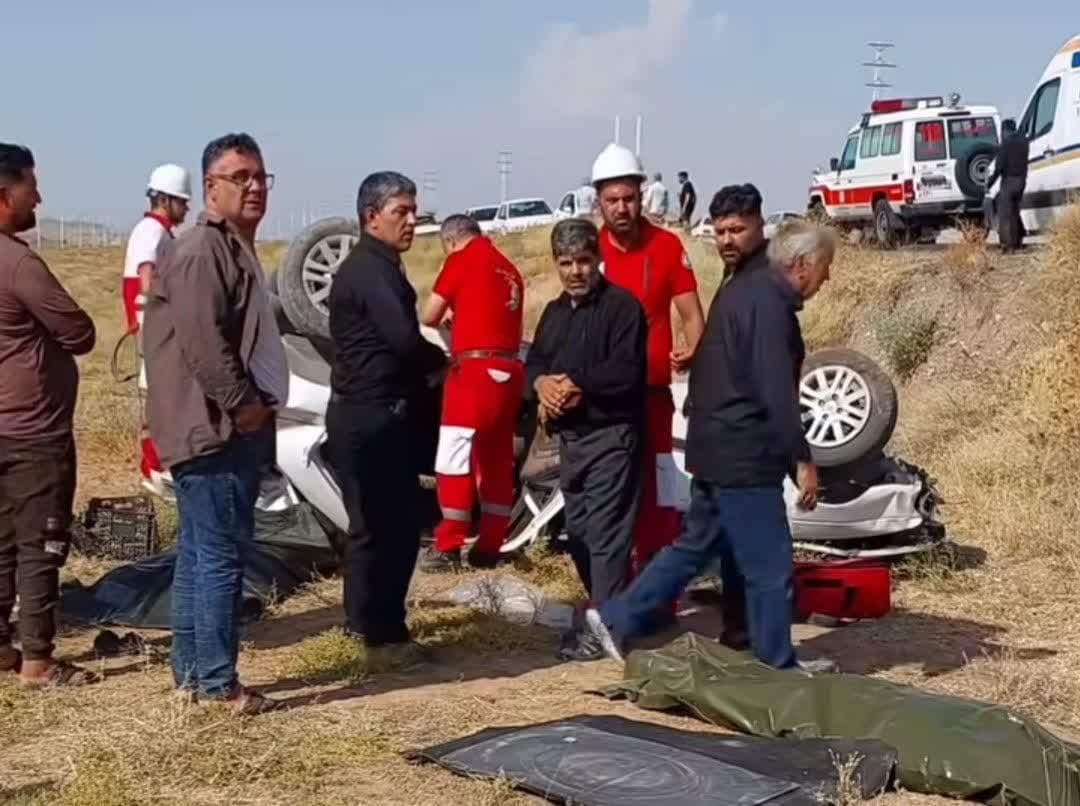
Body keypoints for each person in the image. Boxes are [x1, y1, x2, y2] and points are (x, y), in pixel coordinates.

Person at [560, 194, 838, 673]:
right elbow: (775, 389)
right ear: (802, 264)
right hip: (744, 451)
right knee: (770, 564)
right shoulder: (767, 304)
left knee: (690, 549)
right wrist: (802, 458)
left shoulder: (741, 290)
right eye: (824, 268)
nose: (825, 278)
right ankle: (779, 665)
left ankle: (615, 617)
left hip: (715, 446)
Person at [143, 132, 287, 714]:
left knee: (201, 554)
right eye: (239, 177)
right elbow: (205, 346)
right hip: (212, 427)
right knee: (220, 555)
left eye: (260, 177)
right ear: (210, 187)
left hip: (209, 427)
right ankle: (217, 683)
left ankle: (193, 677)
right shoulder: (205, 251)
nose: (253, 187)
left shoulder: (229, 247)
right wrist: (244, 404)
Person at [325, 171, 446, 655]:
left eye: (414, 211)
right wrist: (441, 365)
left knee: (375, 528)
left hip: (370, 413)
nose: (413, 221)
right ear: (371, 217)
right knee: (386, 529)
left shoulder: (378, 266)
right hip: (370, 417)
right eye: (402, 212)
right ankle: (381, 635)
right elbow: (402, 339)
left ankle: (368, 626)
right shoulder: (369, 270)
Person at [0, 143, 98, 687]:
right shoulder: (18, 263)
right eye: (29, 186)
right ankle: (37, 659)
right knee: (41, 543)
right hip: (33, 430)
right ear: (3, 194)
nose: (38, 196)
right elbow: (79, 331)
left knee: (2, 543)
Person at [591, 143, 705, 603]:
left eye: (629, 198)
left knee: (660, 499)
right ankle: (613, 595)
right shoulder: (586, 251)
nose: (622, 208)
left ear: (642, 196)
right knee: (611, 499)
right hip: (604, 407)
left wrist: (691, 349)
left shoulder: (667, 246)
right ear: (598, 199)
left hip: (654, 398)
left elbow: (694, 317)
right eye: (612, 199)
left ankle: (660, 596)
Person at [525, 218, 647, 608]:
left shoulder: (622, 307)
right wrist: (542, 385)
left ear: (597, 259)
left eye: (583, 260)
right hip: (570, 441)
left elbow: (626, 371)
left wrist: (576, 383)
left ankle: (608, 624)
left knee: (607, 533)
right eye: (566, 262)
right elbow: (535, 363)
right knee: (577, 532)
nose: (575, 271)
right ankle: (609, 610)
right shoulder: (554, 313)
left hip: (611, 437)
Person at [419, 214, 525, 571]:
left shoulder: (461, 260)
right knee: (495, 459)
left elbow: (429, 314)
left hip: (474, 370)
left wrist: (450, 316)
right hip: (510, 371)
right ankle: (490, 544)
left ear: (450, 241)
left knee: (454, 455)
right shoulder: (509, 269)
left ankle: (448, 543)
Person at [121, 164, 191, 334]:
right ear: (163, 201)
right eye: (182, 202)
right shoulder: (151, 230)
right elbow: (147, 273)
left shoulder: (158, 231)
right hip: (152, 327)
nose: (186, 208)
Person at [986, 118, 1029, 253]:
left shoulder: (1005, 145)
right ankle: (1017, 242)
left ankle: (1007, 246)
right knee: (1015, 212)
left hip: (1008, 181)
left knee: (1004, 215)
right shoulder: (1024, 142)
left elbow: (999, 167)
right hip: (1021, 181)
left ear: (1004, 131)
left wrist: (989, 183)